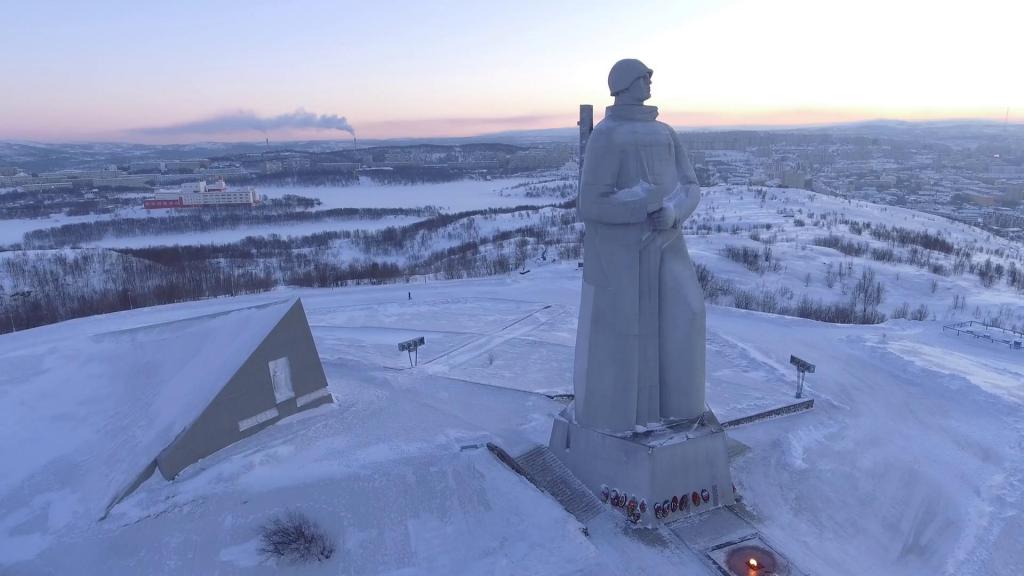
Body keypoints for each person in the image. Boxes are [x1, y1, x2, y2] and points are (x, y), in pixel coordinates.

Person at [573, 58, 705, 434]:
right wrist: (641, 206)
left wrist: (674, 212)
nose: (650, 81)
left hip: (668, 244)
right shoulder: (608, 135)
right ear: (625, 84)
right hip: (622, 257)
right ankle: (621, 418)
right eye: (643, 77)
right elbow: (591, 203)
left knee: (689, 313)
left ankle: (681, 410)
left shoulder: (665, 132)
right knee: (623, 338)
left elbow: (691, 186)